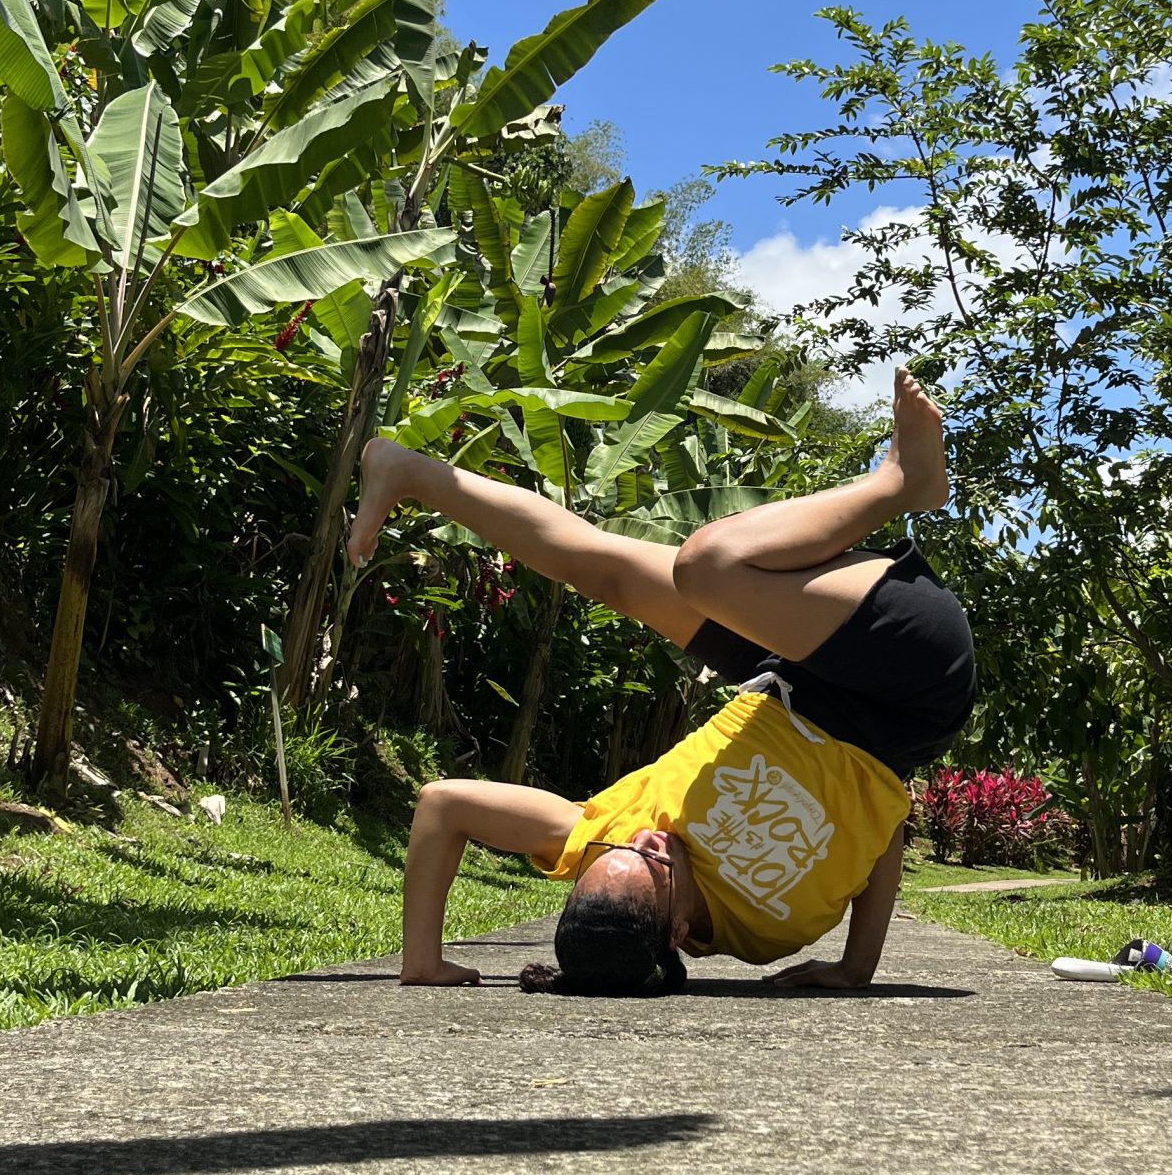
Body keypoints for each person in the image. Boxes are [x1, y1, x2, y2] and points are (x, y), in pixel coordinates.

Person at [343, 371, 975, 995]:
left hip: (789, 674)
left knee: (600, 567)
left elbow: (444, 804)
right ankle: (899, 484)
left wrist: (421, 961)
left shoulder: (603, 839)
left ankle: (410, 472)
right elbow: (882, 823)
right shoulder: (771, 927)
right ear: (676, 931)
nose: (649, 834)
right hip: (909, 691)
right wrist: (857, 967)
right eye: (651, 860)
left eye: (612, 853)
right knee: (708, 567)